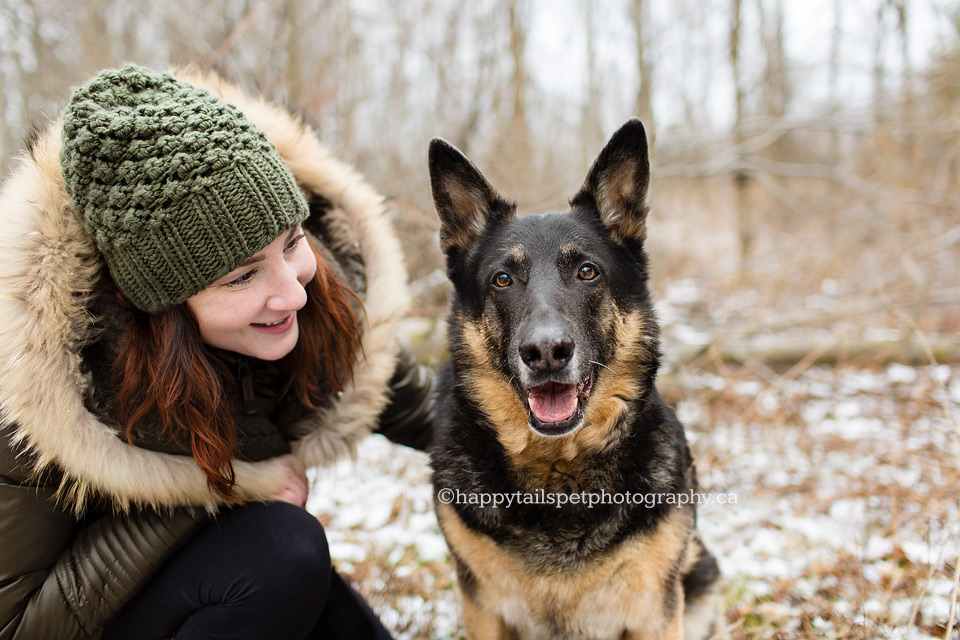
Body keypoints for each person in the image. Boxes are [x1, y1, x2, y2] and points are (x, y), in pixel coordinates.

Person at [0, 65, 434, 639]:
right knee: (282, 553)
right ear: (160, 305)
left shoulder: (324, 291)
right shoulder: (42, 391)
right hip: (117, 613)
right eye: (242, 277)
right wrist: (211, 490)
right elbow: (18, 623)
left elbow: (434, 412)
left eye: (292, 242)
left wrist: (571, 442)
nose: (293, 291)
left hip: (235, 577)